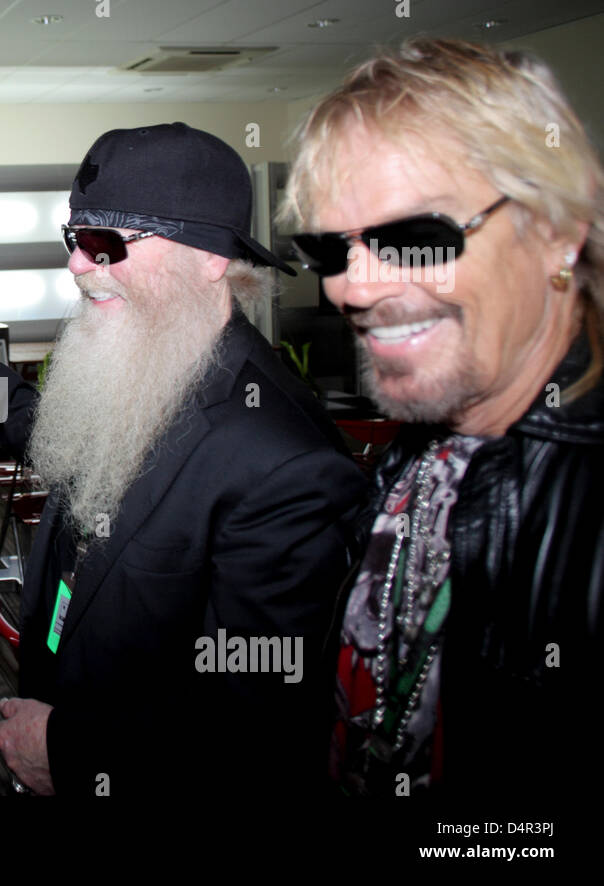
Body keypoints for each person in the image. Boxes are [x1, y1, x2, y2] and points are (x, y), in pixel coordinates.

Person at [0, 122, 367, 796]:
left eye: (105, 243)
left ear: (211, 255)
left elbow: (256, 717)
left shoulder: (283, 464)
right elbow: (63, 438)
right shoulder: (153, 355)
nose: (75, 265)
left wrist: (64, 749)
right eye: (73, 239)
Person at [281, 37, 604, 799]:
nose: (352, 290)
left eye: (414, 238)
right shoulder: (427, 446)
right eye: (331, 250)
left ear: (557, 229)